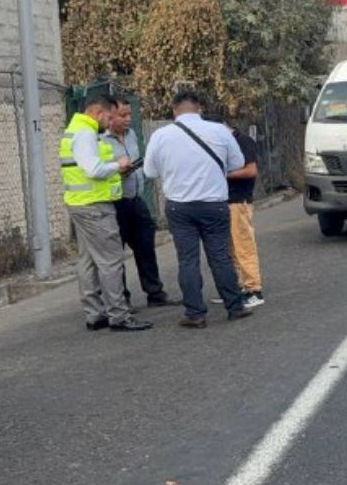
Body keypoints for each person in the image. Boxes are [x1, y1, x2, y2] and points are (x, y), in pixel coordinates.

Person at [143, 92, 252, 328]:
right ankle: (234, 307)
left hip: (179, 207)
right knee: (220, 256)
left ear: (174, 110)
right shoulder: (219, 131)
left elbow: (150, 172)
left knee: (188, 260)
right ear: (199, 109)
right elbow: (236, 164)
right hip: (214, 204)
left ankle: (195, 314)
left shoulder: (160, 135)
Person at [60, 95, 152, 332]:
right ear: (97, 112)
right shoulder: (85, 134)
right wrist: (118, 166)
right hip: (95, 206)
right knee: (111, 260)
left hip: (81, 203)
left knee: (88, 259)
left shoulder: (76, 129)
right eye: (109, 117)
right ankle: (119, 315)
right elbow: (93, 169)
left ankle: (95, 314)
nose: (110, 122)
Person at [101, 100, 178, 309]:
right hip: (114, 204)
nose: (127, 119)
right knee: (116, 254)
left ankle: (155, 293)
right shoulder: (100, 140)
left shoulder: (132, 135)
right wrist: (117, 170)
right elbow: (96, 170)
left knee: (146, 247)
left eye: (129, 115)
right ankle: (121, 300)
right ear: (110, 116)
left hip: (136, 200)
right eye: (122, 115)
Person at [204, 114, 264, 309]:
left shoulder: (243, 141)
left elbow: (251, 170)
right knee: (229, 249)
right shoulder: (219, 144)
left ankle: (254, 289)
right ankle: (235, 287)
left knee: (243, 246)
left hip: (239, 201)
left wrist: (223, 175)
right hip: (221, 201)